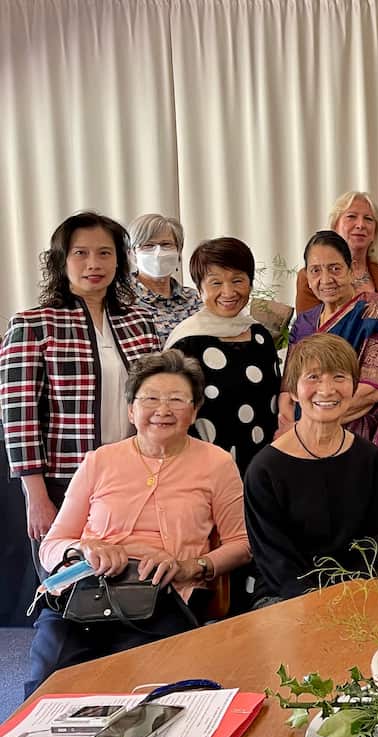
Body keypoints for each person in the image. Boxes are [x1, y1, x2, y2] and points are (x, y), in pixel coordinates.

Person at [25, 350, 251, 695]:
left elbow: (242, 544)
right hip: (83, 594)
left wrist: (191, 566)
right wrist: (85, 547)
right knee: (49, 683)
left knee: (145, 692)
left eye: (177, 400)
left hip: (163, 596)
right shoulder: (100, 460)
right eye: (151, 399)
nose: (163, 410)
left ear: (194, 411)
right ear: (132, 410)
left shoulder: (216, 464)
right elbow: (52, 545)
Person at [1, 212, 160, 570]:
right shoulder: (34, 324)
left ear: (119, 260)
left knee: (130, 578)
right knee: (68, 584)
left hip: (131, 475)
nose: (94, 264)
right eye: (81, 253)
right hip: (63, 479)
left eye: (105, 253)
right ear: (61, 260)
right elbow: (18, 416)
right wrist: (36, 496)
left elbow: (155, 397)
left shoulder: (139, 322)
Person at [244, 334, 378, 605]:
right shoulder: (265, 468)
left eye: (339, 377)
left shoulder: (371, 459)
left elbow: (375, 542)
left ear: (353, 386)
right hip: (285, 597)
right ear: (293, 391)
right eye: (313, 377)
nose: (326, 390)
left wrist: (348, 595)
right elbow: (275, 560)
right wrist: (317, 602)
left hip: (356, 593)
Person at [286, 230, 378, 484]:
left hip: (361, 444)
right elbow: (290, 386)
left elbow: (372, 390)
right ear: (307, 277)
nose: (326, 279)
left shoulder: (376, 313)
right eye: (315, 271)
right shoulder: (303, 324)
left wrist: (319, 421)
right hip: (306, 442)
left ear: (351, 269)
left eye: (334, 268)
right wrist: (302, 432)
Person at [166, 237, 281, 475]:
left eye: (237, 280)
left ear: (250, 283)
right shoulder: (186, 343)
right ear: (199, 288)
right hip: (205, 469)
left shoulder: (260, 336)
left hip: (261, 466)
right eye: (215, 282)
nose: (228, 292)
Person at [294, 192, 378, 354]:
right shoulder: (312, 277)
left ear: (375, 231)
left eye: (368, 219)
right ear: (335, 225)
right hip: (336, 372)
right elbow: (308, 338)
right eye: (351, 217)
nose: (360, 225)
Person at [128, 213, 202, 341]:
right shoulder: (122, 299)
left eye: (166, 244)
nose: (158, 253)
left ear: (178, 251)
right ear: (133, 253)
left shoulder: (194, 299)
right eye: (148, 245)